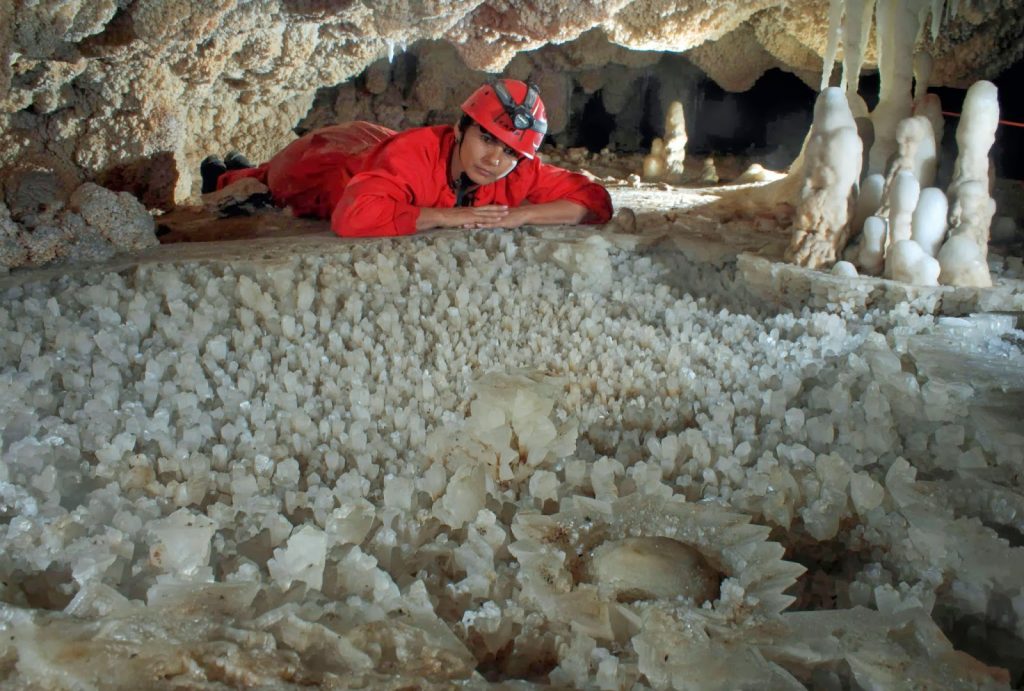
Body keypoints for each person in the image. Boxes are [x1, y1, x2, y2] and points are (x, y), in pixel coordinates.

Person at [202, 79, 613, 237]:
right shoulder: (414, 156)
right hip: (329, 162)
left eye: (510, 151)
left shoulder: (517, 169)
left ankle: (236, 166)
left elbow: (595, 201)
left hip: (381, 146)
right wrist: (444, 215)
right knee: (272, 179)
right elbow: (352, 217)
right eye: (487, 139)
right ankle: (224, 174)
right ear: (459, 130)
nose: (494, 160)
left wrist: (520, 216)